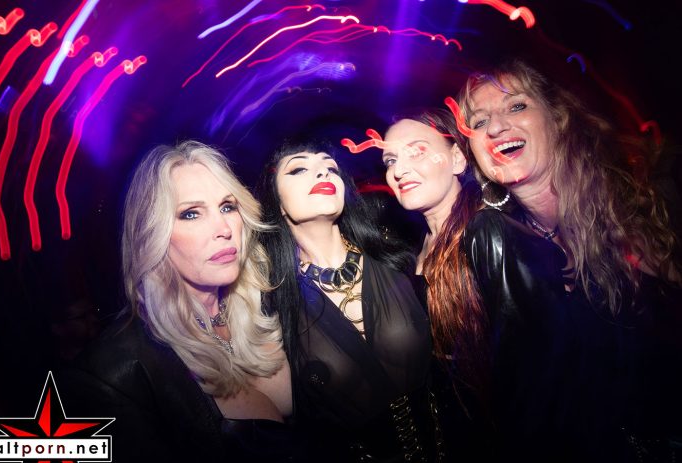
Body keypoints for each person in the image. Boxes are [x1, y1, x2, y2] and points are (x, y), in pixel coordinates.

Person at [458, 58, 682, 462]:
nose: (495, 128)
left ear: (557, 119)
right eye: (478, 122)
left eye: (516, 106)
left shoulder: (643, 203)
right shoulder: (502, 250)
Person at [58, 141, 295, 462]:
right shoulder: (115, 374)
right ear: (152, 235)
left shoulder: (269, 303)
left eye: (228, 207)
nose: (223, 229)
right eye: (191, 214)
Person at [255, 139, 445, 462]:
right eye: (299, 169)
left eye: (330, 167)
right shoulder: (274, 304)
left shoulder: (396, 262)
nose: (323, 174)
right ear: (278, 203)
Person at [382, 108, 494, 460]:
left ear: (457, 159)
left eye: (417, 151)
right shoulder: (415, 247)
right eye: (390, 160)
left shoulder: (487, 234)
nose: (398, 170)